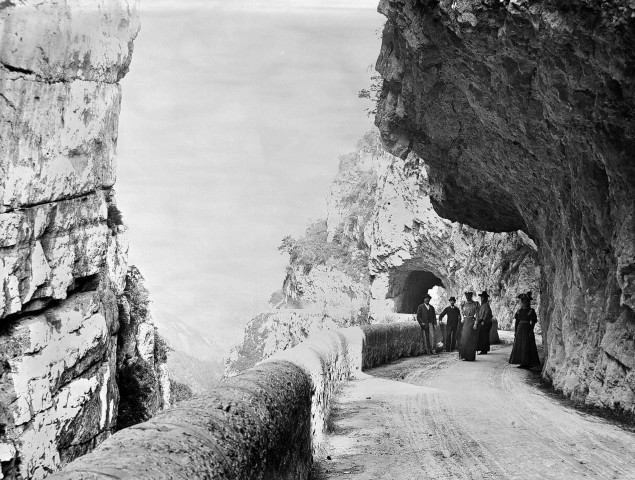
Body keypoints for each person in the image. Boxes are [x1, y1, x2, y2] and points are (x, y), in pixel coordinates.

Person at [509, 292, 541, 368]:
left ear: (528, 302)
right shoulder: (519, 311)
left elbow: (533, 321)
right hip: (520, 330)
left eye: (526, 301)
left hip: (527, 329)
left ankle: (527, 363)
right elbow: (517, 321)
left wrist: (530, 330)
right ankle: (521, 362)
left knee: (527, 345)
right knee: (520, 345)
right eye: (523, 301)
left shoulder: (531, 311)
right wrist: (516, 331)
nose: (524, 302)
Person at [459, 291, 480, 361]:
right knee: (464, 339)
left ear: (471, 296)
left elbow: (477, 314)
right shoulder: (463, 304)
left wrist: (476, 323)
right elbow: (461, 312)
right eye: (466, 296)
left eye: (469, 296)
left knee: (470, 339)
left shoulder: (475, 304)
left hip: (471, 322)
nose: (467, 297)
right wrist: (462, 318)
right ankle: (463, 355)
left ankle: (470, 356)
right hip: (465, 322)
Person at [476, 291, 493, 355]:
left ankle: (484, 350)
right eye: (481, 297)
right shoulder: (483, 305)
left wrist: (483, 321)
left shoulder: (486, 305)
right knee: (483, 336)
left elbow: (487, 314)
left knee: (484, 337)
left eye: (483, 298)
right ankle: (483, 349)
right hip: (483, 322)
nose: (481, 299)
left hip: (486, 323)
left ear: (485, 298)